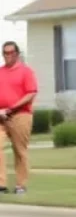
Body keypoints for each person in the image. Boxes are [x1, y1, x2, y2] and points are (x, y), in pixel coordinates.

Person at [0, 41, 38, 195]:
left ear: (17, 54)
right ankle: (1, 184)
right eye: (5, 53)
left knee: (20, 150)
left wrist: (11, 108)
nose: (8, 56)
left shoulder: (26, 72)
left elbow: (31, 93)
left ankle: (21, 184)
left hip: (20, 115)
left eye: (11, 53)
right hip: (0, 116)